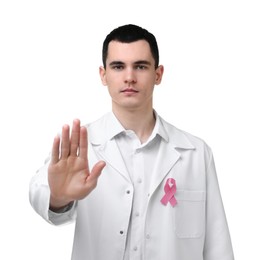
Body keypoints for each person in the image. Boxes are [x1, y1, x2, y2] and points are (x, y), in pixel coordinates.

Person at [29, 24, 234, 260]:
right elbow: (39, 191)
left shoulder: (196, 153)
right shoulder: (81, 146)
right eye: (118, 66)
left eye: (141, 66)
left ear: (158, 74)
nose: (129, 77)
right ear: (103, 75)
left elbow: (218, 246)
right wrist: (59, 197)